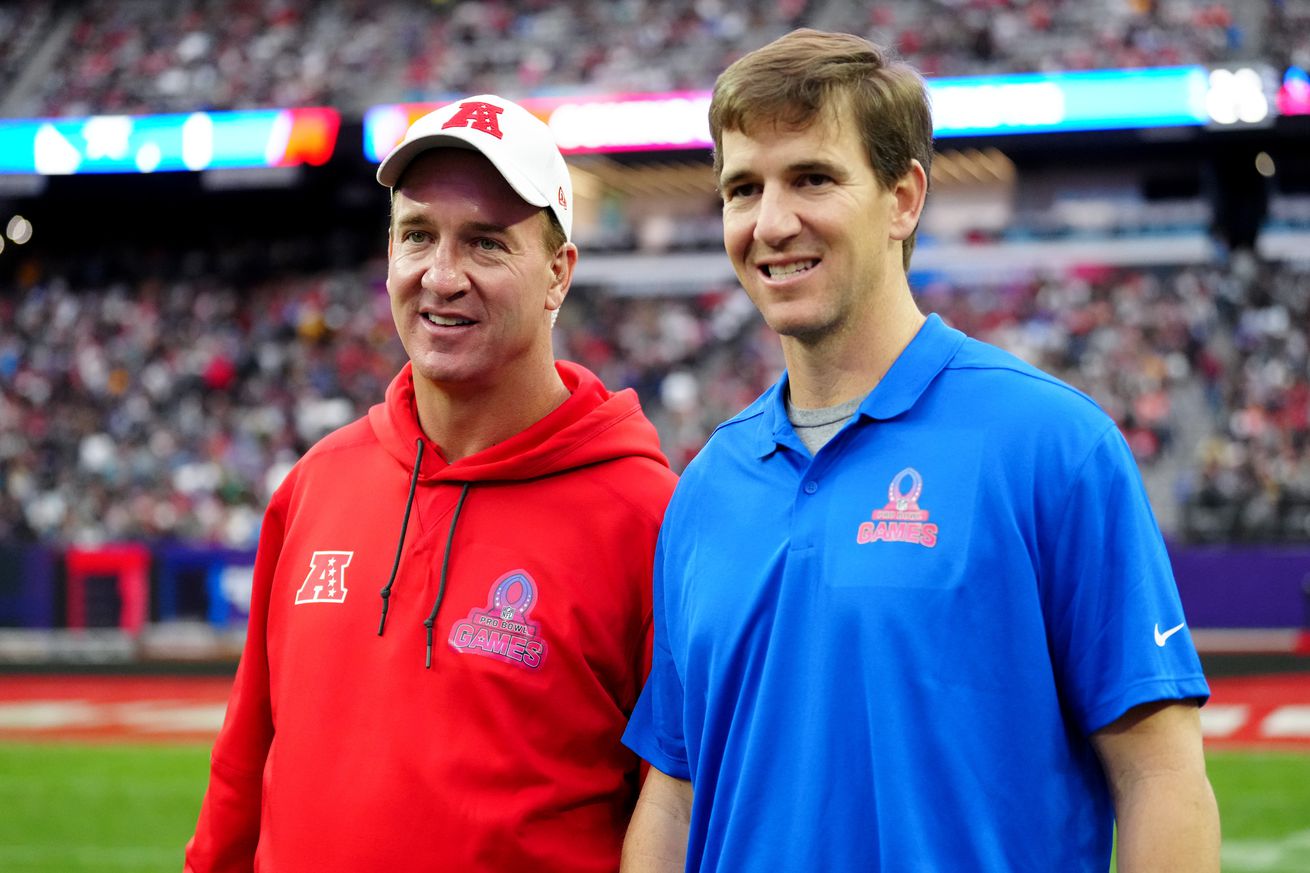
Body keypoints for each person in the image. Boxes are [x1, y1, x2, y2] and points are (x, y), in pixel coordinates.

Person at [620, 29, 1219, 873]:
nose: (771, 221)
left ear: (903, 199)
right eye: (743, 188)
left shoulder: (1052, 443)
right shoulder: (708, 485)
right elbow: (677, 792)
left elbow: (1161, 775)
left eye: (813, 178)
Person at [185, 94, 678, 873]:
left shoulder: (647, 518)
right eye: (418, 236)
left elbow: (680, 811)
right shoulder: (316, 482)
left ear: (558, 274)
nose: (442, 277)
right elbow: (245, 763)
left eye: (485, 243)